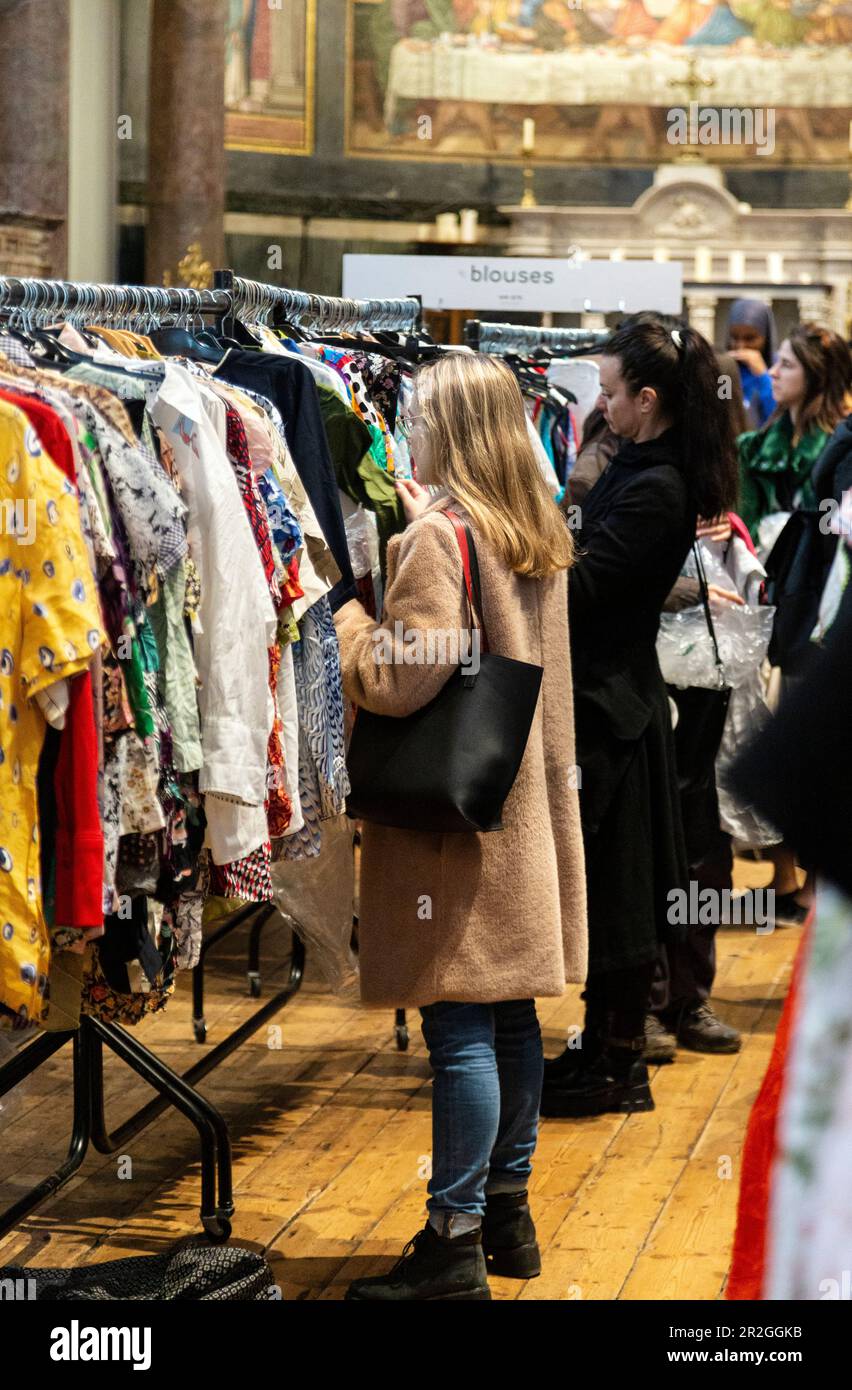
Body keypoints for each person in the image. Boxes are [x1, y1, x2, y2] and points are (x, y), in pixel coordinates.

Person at [333, 352, 587, 1301]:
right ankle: (505, 1215)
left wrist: (354, 624)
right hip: (516, 808)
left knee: (459, 1027)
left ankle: (451, 1239)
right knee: (511, 1013)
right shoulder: (534, 527)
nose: (406, 424)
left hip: (451, 832)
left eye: (418, 412)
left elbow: (405, 675)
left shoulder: (441, 536)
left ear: (452, 428)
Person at [541, 318, 738, 1119]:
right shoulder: (642, 465)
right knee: (614, 893)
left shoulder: (658, 486)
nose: (602, 402)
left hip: (613, 712)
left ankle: (617, 1066)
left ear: (647, 399)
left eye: (613, 391)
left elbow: (588, 593)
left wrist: (524, 549)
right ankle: (605, 1054)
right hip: (609, 703)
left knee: (621, 899)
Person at [739, 323, 852, 924]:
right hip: (771, 584)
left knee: (810, 716)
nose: (774, 373)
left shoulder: (837, 443)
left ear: (817, 374)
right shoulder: (756, 444)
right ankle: (784, 876)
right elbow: (741, 510)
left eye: (787, 364)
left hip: (820, 594)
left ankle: (811, 879)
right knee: (777, 711)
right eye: (775, 363)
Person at [727, 298, 777, 429]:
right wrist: (724, 371)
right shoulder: (727, 371)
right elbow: (722, 406)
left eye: (750, 338)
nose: (740, 346)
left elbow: (777, 416)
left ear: (765, 337)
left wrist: (763, 376)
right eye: (734, 338)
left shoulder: (778, 368)